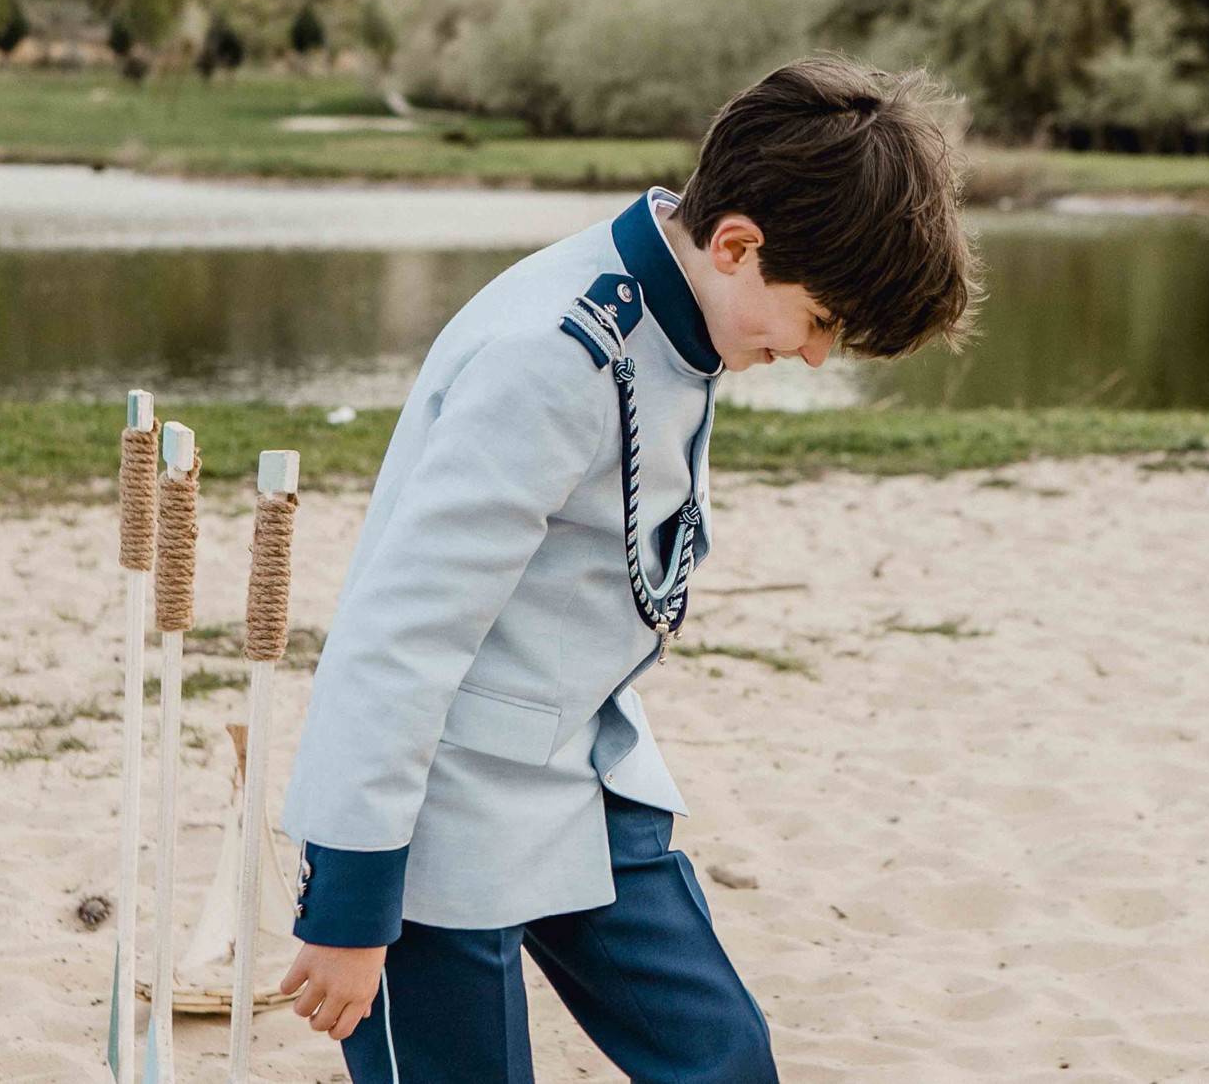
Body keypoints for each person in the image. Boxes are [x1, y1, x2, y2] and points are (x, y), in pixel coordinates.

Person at [277, 54, 978, 1083]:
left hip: (582, 774)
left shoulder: (684, 304)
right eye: (821, 322)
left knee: (724, 1059)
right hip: (436, 818)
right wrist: (348, 903)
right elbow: (398, 634)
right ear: (738, 244)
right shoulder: (550, 357)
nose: (820, 355)